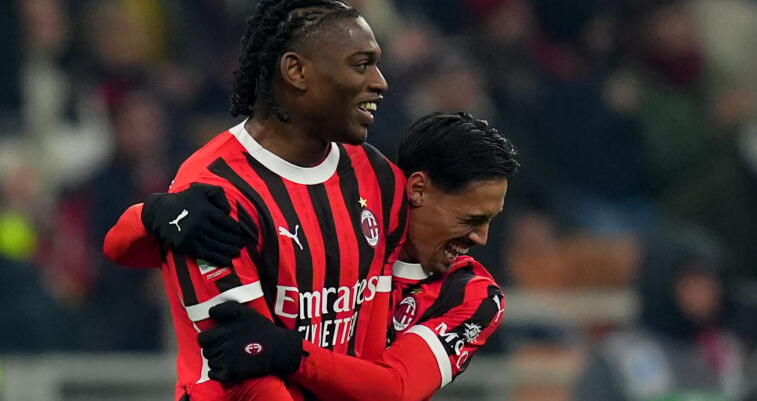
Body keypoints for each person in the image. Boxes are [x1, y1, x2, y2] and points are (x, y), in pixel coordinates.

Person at [104, 0, 409, 401]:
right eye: (361, 65)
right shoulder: (215, 190)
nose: (380, 82)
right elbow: (246, 374)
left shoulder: (377, 174)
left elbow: (373, 336)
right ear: (296, 71)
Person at [106, 111, 519, 400]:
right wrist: (153, 214)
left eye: (490, 221)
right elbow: (124, 251)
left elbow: (396, 389)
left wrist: (289, 352)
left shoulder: (474, 296)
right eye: (472, 219)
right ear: (418, 190)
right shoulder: (333, 215)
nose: (482, 238)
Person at [572, 226, 745, 401]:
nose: (703, 296)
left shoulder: (726, 353)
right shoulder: (622, 357)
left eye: (710, 286)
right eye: (692, 285)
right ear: (661, 287)